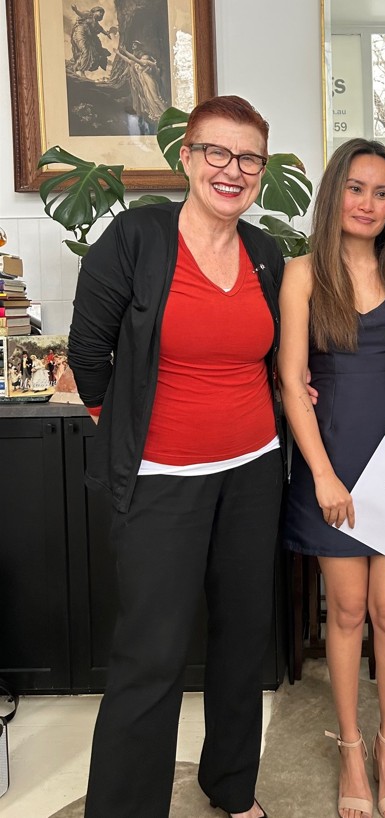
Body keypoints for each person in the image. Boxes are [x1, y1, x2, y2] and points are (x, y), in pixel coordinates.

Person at [68, 95, 284, 818]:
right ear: (186, 157)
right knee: (151, 654)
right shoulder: (138, 237)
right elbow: (89, 352)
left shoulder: (264, 253)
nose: (233, 170)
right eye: (217, 152)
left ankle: (231, 785)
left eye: (248, 158)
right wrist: (124, 426)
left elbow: (271, 353)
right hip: (161, 479)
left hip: (254, 471)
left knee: (243, 640)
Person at [278, 138, 385, 818]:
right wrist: (321, 475)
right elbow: (292, 382)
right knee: (345, 612)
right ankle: (350, 747)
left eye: (381, 192)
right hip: (335, 461)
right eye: (356, 188)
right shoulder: (302, 274)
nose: (368, 203)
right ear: (334, 194)